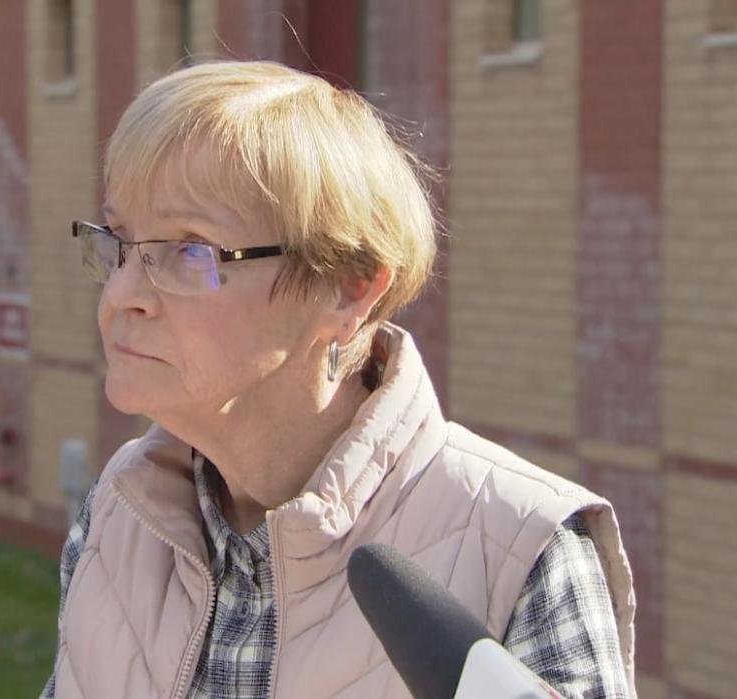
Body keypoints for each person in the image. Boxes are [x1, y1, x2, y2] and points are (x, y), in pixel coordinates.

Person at [41, 60, 635, 699]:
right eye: (122, 242)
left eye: (191, 249)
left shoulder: (520, 546)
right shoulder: (117, 517)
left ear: (348, 289)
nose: (123, 295)